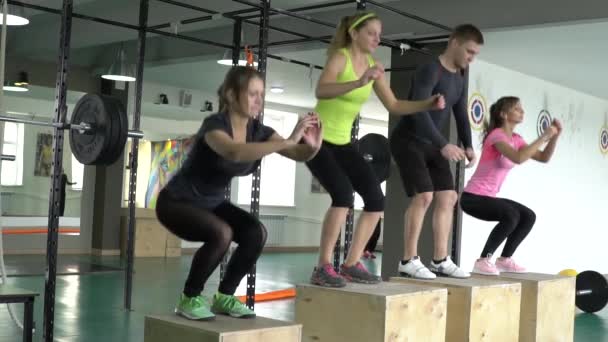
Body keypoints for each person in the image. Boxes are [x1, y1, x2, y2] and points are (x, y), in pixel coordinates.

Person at [155, 66, 322, 321]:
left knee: (256, 232)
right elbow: (234, 151)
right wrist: (288, 140)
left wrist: (312, 147)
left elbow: (296, 153)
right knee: (222, 233)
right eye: (253, 94)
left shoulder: (260, 131)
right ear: (232, 96)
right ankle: (189, 298)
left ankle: (224, 297)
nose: (259, 100)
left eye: (262, 95)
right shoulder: (214, 125)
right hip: (177, 202)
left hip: (211, 203)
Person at [308, 11, 445, 287]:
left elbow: (394, 105)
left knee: (375, 199)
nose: (377, 39)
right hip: (316, 138)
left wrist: (425, 104)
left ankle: (350, 264)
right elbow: (321, 91)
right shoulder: (341, 57)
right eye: (371, 33)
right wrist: (359, 82)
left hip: (344, 142)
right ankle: (322, 267)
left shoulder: (373, 65)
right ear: (354, 33)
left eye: (379, 34)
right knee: (343, 196)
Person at [390, 24, 484, 279]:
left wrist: (467, 144)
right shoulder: (430, 69)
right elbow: (419, 111)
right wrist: (444, 144)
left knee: (448, 197)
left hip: (432, 143)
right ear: (454, 42)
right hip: (409, 139)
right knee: (424, 196)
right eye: (469, 52)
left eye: (475, 54)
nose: (471, 58)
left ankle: (440, 260)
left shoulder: (461, 75)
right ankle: (408, 260)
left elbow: (460, 111)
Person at [461, 96, 561, 275]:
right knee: (511, 214)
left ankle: (504, 259)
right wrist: (544, 135)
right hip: (472, 198)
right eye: (516, 108)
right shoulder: (496, 136)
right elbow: (518, 158)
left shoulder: (516, 139)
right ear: (503, 114)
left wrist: (554, 138)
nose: (522, 111)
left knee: (528, 216)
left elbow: (544, 157)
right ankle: (483, 260)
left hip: (488, 198)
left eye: (521, 108)